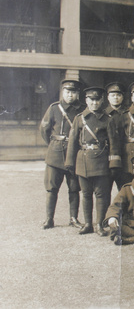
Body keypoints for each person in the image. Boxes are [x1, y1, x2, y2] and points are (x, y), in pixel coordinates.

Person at [66, 87, 119, 236]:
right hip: (83, 162)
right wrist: (70, 163)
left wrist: (113, 163)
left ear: (102, 101)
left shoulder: (108, 119)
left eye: (97, 100)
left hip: (101, 162)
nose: (94, 103)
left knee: (101, 195)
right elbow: (72, 142)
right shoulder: (79, 118)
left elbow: (114, 143)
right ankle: (88, 224)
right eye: (91, 100)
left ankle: (100, 225)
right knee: (86, 194)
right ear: (86, 100)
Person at [39, 79, 85, 229]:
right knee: (52, 188)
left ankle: (73, 218)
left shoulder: (82, 109)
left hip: (74, 154)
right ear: (62, 92)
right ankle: (49, 219)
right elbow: (44, 129)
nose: (70, 95)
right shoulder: (54, 108)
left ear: (78, 94)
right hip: (55, 154)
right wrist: (53, 143)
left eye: (73, 92)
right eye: (67, 92)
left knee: (74, 188)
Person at [104, 82, 129, 189]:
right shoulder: (103, 114)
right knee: (104, 193)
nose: (116, 98)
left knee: (124, 190)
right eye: (113, 95)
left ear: (122, 97)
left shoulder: (128, 114)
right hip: (106, 158)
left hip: (124, 158)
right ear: (108, 97)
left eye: (118, 95)